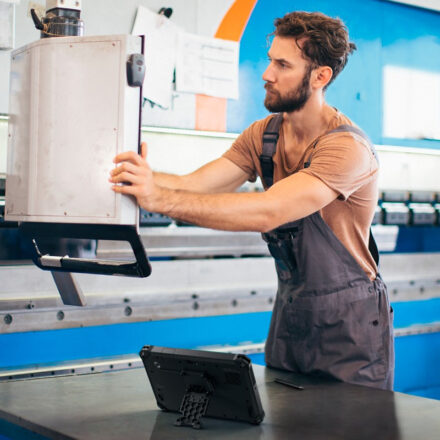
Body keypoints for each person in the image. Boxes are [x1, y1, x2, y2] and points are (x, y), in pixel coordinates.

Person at [109, 11, 394, 390]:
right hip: (292, 314)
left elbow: (269, 210)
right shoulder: (264, 134)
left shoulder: (347, 148)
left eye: (282, 64)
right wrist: (139, 178)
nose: (267, 73)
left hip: (351, 326)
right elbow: (196, 184)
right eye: (269, 60)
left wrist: (158, 199)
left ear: (320, 76)